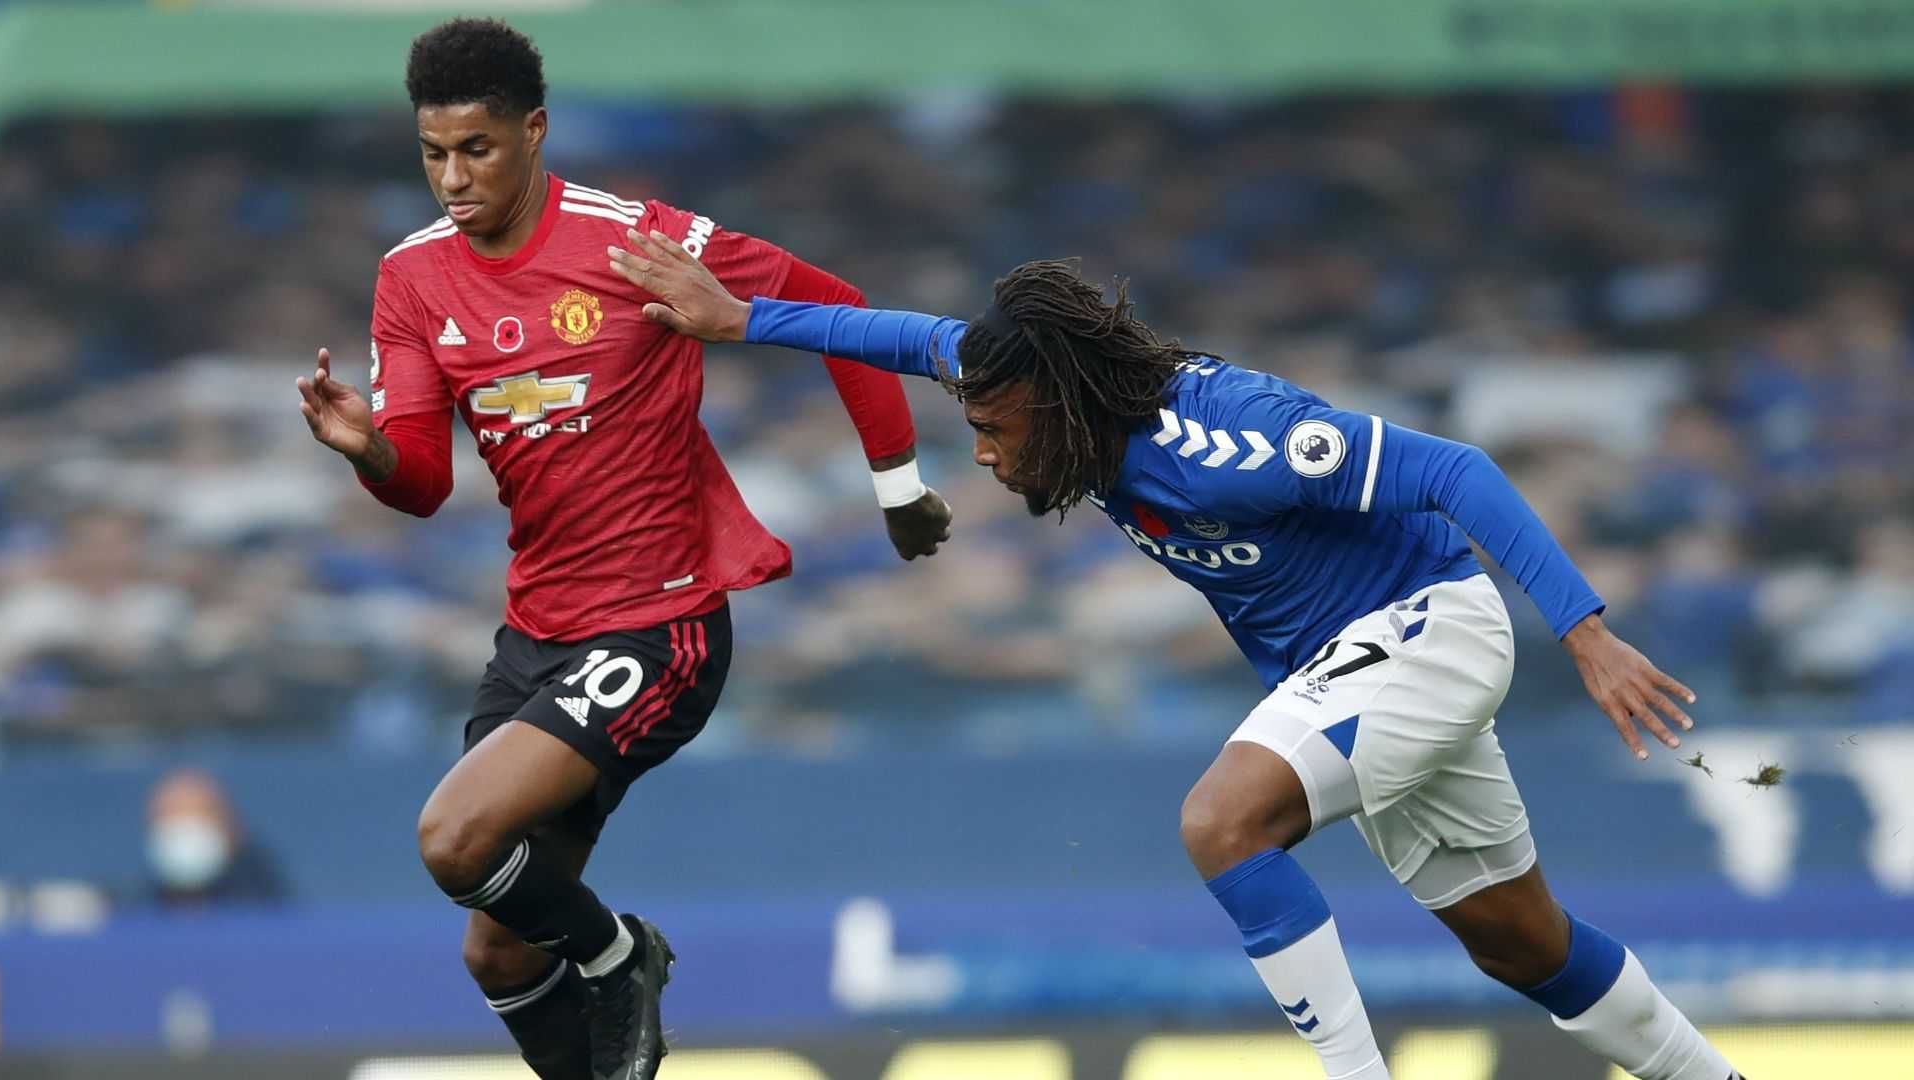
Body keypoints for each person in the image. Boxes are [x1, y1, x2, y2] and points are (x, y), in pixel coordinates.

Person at [606, 233, 1748, 1080]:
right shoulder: (1039, 381)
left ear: (1054, 405)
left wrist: (1586, 632)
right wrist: (744, 318)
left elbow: (1455, 471)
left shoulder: (1232, 440)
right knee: (1521, 945)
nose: (987, 456)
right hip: (1352, 671)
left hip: (1425, 633)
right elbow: (906, 337)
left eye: (994, 432)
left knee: (1221, 822)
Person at [294, 19, 953, 1080]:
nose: (453, 179)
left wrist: (899, 486)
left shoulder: (636, 241)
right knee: (499, 950)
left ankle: (620, 957)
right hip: (536, 635)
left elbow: (833, 305)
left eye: (477, 149)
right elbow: (421, 484)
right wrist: (368, 450)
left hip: (660, 625)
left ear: (534, 131)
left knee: (453, 838)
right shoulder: (412, 277)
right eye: (433, 153)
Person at [143, 769, 290, 909]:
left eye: (198, 818)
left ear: (232, 826)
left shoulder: (265, 906)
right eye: (172, 821)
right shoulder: (139, 911)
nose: (185, 833)